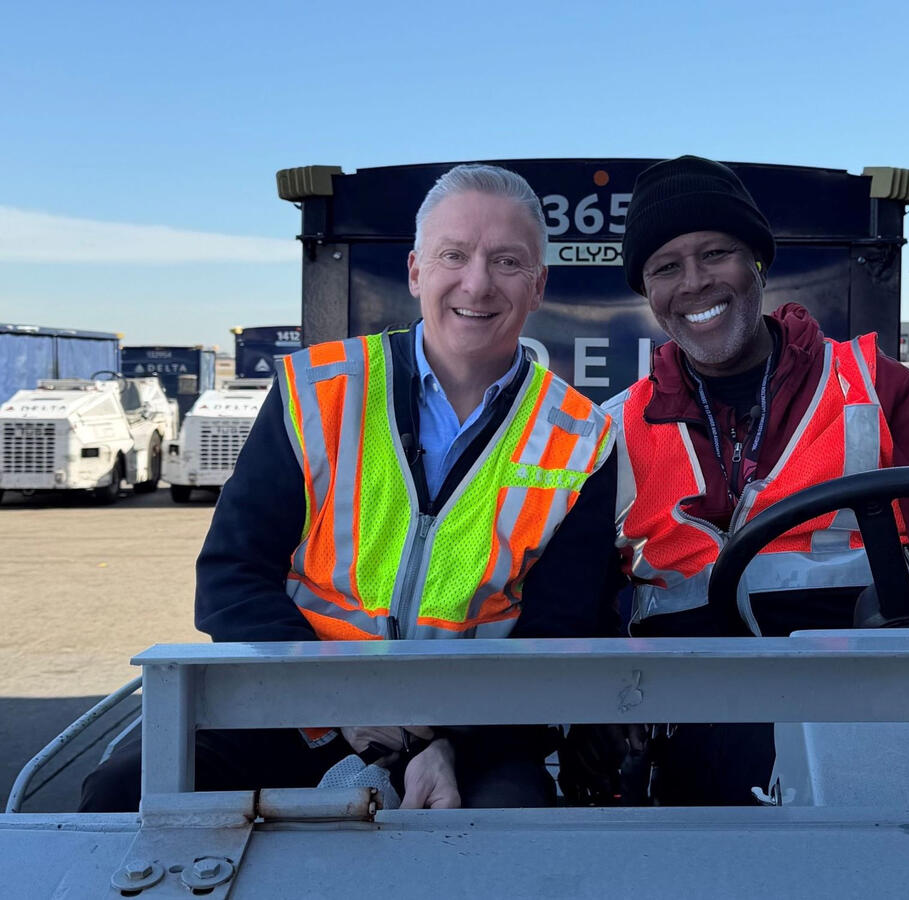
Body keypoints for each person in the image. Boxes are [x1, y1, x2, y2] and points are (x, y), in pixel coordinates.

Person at [80, 164, 620, 812]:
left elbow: (557, 636)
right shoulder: (318, 390)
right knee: (120, 794)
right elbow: (231, 577)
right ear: (417, 270)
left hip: (476, 732)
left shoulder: (583, 439)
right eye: (455, 255)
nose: (477, 282)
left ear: (539, 286)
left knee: (511, 840)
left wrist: (449, 743)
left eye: (506, 261)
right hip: (298, 714)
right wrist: (339, 707)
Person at [600, 155, 909, 806]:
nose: (693, 282)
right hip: (685, 725)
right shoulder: (613, 427)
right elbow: (578, 597)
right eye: (666, 266)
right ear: (648, 291)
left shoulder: (880, 388)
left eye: (716, 253)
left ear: (758, 264)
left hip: (873, 716)